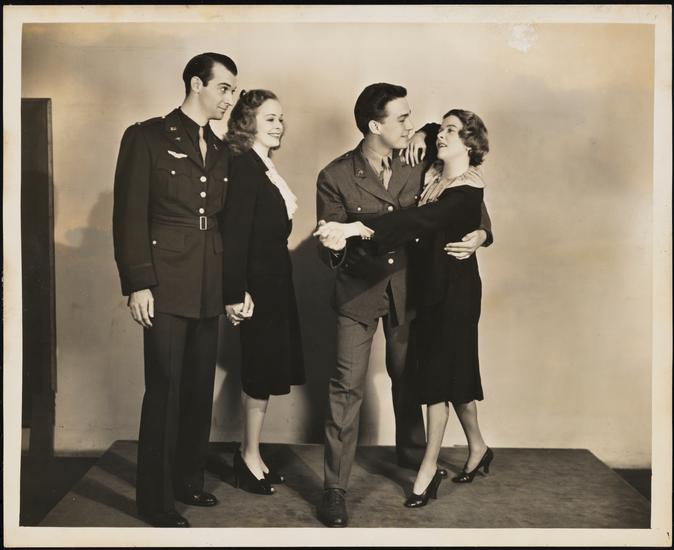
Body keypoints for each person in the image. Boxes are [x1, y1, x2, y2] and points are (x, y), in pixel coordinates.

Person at [314, 84, 493, 527]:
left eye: (412, 119)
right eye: (402, 119)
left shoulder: (420, 156)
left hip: (412, 291)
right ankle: (335, 489)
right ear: (375, 126)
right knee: (346, 389)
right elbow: (330, 244)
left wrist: (482, 234)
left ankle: (415, 459)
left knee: (412, 379)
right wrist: (335, 243)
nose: (411, 125)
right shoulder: (335, 175)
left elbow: (463, 195)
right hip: (358, 292)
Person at [112, 52, 238, 527]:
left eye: (233, 90)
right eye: (223, 88)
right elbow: (129, 215)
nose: (230, 98)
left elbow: (224, 220)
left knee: (198, 389)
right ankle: (156, 500)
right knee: (165, 389)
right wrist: (139, 283)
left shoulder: (221, 148)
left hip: (208, 281)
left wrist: (232, 287)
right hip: (164, 281)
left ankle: (188, 480)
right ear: (196, 84)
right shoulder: (147, 136)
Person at [221, 89, 306, 495]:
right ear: (247, 122)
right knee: (258, 370)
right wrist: (236, 292)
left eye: (281, 119)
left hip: (273, 281)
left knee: (265, 369)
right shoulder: (244, 166)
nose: (279, 125)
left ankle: (250, 452)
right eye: (270, 118)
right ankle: (247, 456)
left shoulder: (261, 165)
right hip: (257, 286)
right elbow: (235, 234)